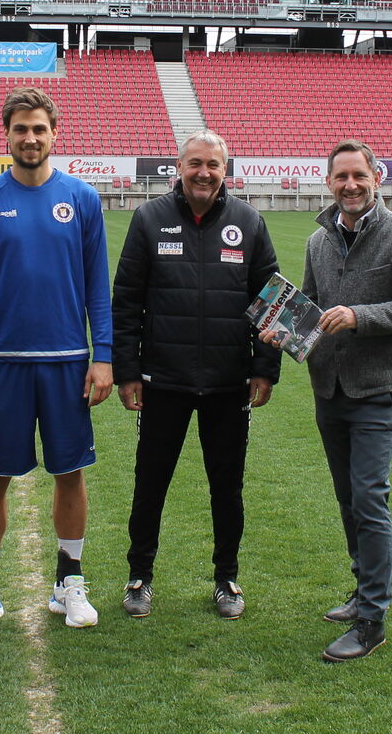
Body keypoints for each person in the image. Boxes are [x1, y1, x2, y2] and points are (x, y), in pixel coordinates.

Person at [0, 87, 114, 633]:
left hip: (69, 360)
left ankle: (68, 585)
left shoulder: (83, 199)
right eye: (20, 129)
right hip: (3, 362)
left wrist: (104, 357)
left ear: (53, 133)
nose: (30, 138)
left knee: (71, 473)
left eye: (39, 128)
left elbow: (97, 289)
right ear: (7, 134)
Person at [112, 129, 280, 619]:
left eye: (213, 165)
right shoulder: (149, 219)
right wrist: (128, 371)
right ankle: (139, 575)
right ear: (178, 168)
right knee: (151, 484)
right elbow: (126, 302)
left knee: (227, 488)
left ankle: (227, 578)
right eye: (194, 164)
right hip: (163, 381)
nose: (203, 173)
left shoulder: (249, 223)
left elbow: (269, 301)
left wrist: (264, 369)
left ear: (225, 171)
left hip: (229, 384)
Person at [297, 139, 392, 662]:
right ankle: (362, 591)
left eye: (359, 175)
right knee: (347, 497)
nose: (350, 186)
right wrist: (282, 327)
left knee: (369, 497)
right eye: (341, 178)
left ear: (376, 177)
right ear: (329, 183)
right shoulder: (319, 239)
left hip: (377, 387)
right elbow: (310, 306)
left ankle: (373, 618)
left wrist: (359, 316)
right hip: (328, 386)